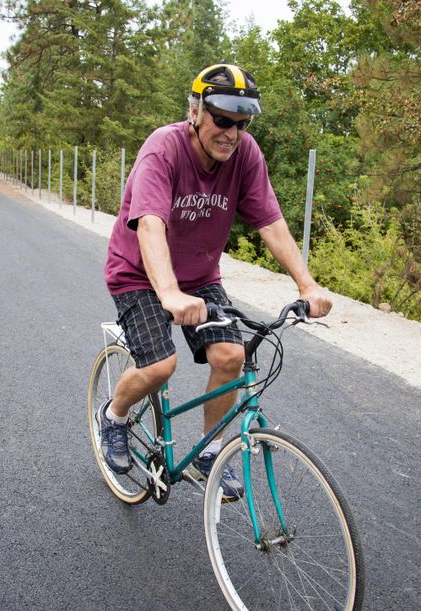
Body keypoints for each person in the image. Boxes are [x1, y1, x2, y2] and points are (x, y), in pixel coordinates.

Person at [100, 63, 333, 500]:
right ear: (196, 110)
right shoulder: (163, 149)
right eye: (223, 120)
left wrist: (307, 284)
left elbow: (271, 222)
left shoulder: (245, 155)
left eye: (241, 124)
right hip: (139, 273)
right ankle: (113, 417)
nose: (232, 133)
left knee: (230, 356)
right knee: (158, 365)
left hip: (200, 275)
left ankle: (209, 452)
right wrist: (168, 292)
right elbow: (150, 224)